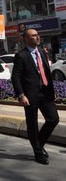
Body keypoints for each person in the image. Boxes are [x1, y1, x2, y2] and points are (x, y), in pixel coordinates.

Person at [11, 28, 59, 165]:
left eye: (37, 35)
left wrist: (52, 90)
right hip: (30, 95)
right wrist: (21, 95)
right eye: (33, 36)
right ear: (26, 39)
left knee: (53, 119)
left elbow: (47, 73)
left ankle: (39, 144)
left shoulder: (42, 53)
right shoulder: (21, 55)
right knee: (32, 124)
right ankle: (38, 153)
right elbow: (16, 77)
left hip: (45, 93)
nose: (37, 37)